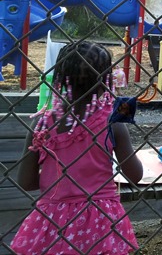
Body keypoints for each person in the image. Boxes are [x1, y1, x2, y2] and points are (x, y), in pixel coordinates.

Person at [11, 41, 143, 255]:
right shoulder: (113, 123)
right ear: (105, 80)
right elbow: (135, 175)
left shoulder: (42, 124)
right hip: (102, 221)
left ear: (60, 78)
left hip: (53, 221)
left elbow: (26, 182)